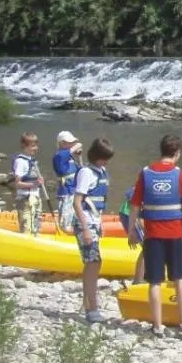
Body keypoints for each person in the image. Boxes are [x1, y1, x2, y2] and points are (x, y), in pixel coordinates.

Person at [127, 133, 182, 337]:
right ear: (177, 153)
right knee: (180, 278)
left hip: (152, 236)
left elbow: (134, 206)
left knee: (155, 281)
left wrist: (132, 231)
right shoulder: (181, 175)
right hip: (176, 235)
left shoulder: (145, 173)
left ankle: (157, 326)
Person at [71, 138, 114, 324]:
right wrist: (87, 228)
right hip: (85, 223)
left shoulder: (102, 171)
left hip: (95, 221)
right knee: (93, 261)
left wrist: (100, 223)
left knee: (95, 263)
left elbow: (99, 200)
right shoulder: (86, 173)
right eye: (103, 158)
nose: (105, 162)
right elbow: (77, 202)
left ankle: (89, 303)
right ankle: (91, 307)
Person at [10, 133, 45, 235]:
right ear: (24, 146)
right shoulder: (21, 162)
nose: (35, 148)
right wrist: (35, 183)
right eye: (33, 146)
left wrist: (39, 182)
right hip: (25, 199)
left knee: (37, 227)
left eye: (36, 145)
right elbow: (18, 184)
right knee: (26, 228)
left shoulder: (33, 161)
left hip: (36, 197)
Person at [51, 131, 82, 229]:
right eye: (69, 142)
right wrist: (76, 146)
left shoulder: (70, 156)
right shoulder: (59, 156)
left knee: (75, 218)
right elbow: (75, 147)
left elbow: (81, 169)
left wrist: (79, 156)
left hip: (74, 192)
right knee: (65, 222)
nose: (71, 144)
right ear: (61, 143)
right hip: (66, 193)